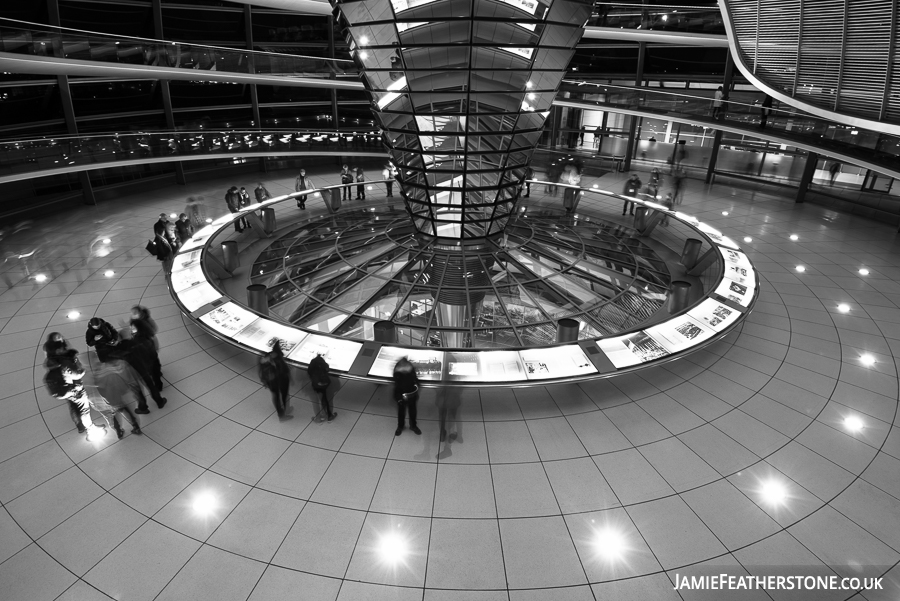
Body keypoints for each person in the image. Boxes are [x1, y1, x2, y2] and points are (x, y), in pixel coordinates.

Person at [114, 320, 167, 413]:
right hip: (144, 368)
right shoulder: (140, 341)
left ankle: (143, 407)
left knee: (138, 391)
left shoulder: (121, 347)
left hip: (132, 372)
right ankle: (159, 401)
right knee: (150, 385)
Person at [44, 337, 89, 434]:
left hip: (65, 389)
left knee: (73, 406)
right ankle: (90, 429)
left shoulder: (52, 360)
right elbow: (77, 374)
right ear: (58, 350)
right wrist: (82, 369)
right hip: (75, 389)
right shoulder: (64, 362)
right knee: (84, 409)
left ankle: (80, 425)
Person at [93, 360, 144, 437]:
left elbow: (101, 390)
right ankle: (136, 427)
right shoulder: (118, 365)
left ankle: (119, 431)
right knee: (130, 412)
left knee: (115, 415)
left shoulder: (98, 373)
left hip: (112, 398)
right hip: (124, 394)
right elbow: (128, 378)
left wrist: (107, 401)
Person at [258, 341, 293, 421]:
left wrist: (264, 381)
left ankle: (280, 414)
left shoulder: (266, 357)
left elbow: (260, 370)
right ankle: (285, 411)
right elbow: (284, 370)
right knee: (284, 395)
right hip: (281, 380)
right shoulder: (278, 358)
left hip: (270, 382)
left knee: (276, 396)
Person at [393, 356, 420, 436]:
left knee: (411, 411)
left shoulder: (398, 370)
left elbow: (415, 379)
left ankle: (410, 426)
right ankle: (404, 426)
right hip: (404, 394)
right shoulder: (409, 368)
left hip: (409, 394)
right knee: (403, 412)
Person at [307, 353, 336, 421]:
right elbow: (327, 369)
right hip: (325, 383)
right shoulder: (323, 363)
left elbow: (309, 372)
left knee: (316, 401)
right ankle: (329, 415)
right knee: (325, 398)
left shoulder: (312, 362)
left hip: (316, 384)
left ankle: (318, 418)